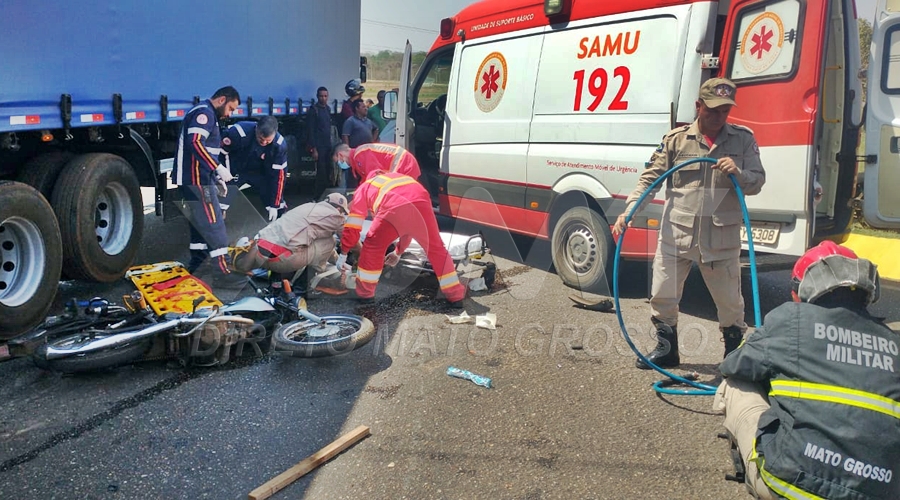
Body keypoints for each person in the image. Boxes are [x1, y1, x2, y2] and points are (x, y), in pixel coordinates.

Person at [714, 241, 899, 499]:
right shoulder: (894, 342)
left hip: (793, 484)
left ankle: (753, 465)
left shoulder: (790, 320)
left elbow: (734, 364)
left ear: (798, 293)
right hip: (879, 492)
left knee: (736, 384)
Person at [612, 78, 766, 369]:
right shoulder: (676, 140)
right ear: (699, 106)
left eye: (724, 111)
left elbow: (757, 181)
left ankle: (734, 358)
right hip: (676, 234)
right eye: (712, 110)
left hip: (721, 238)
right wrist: (630, 211)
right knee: (662, 295)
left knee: (730, 304)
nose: (718, 117)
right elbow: (649, 180)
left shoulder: (743, 140)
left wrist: (740, 173)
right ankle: (667, 350)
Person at [336, 169, 466, 307]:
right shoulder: (401, 178)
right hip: (421, 202)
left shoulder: (366, 186)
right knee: (437, 250)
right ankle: (455, 296)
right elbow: (409, 226)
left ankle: (365, 295)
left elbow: (353, 225)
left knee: (373, 247)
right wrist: (398, 251)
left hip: (392, 208)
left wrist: (344, 252)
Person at [173, 85, 246, 288]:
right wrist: (218, 168)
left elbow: (204, 151)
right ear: (222, 100)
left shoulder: (205, 113)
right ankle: (222, 273)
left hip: (197, 179)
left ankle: (197, 265)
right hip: (197, 181)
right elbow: (195, 143)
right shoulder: (204, 113)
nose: (230, 114)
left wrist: (215, 176)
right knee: (214, 224)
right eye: (230, 108)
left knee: (199, 225)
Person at [232, 193, 348, 279]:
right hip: (283, 261)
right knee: (329, 240)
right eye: (343, 212)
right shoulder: (336, 216)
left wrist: (337, 260)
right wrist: (356, 256)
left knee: (308, 238)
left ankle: (245, 264)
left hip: (259, 253)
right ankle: (314, 277)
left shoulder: (307, 206)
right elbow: (349, 239)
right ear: (338, 209)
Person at [220, 116, 287, 222]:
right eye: (261, 139)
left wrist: (275, 205)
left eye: (268, 141)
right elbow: (221, 155)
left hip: (261, 173)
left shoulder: (279, 146)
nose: (264, 143)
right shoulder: (238, 133)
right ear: (256, 129)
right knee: (219, 202)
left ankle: (280, 225)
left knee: (277, 205)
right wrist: (222, 175)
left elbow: (279, 177)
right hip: (236, 171)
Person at [305, 86, 336, 201]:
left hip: (328, 146)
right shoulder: (314, 111)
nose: (323, 98)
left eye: (325, 96)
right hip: (319, 147)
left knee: (328, 171)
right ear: (317, 97)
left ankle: (326, 195)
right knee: (321, 173)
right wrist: (314, 149)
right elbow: (311, 131)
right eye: (321, 96)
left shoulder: (327, 109)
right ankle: (317, 197)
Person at [332, 142, 421, 182]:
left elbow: (375, 177)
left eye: (338, 161)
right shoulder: (358, 158)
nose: (340, 164)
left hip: (404, 164)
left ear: (340, 155)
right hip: (403, 163)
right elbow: (366, 179)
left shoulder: (360, 155)